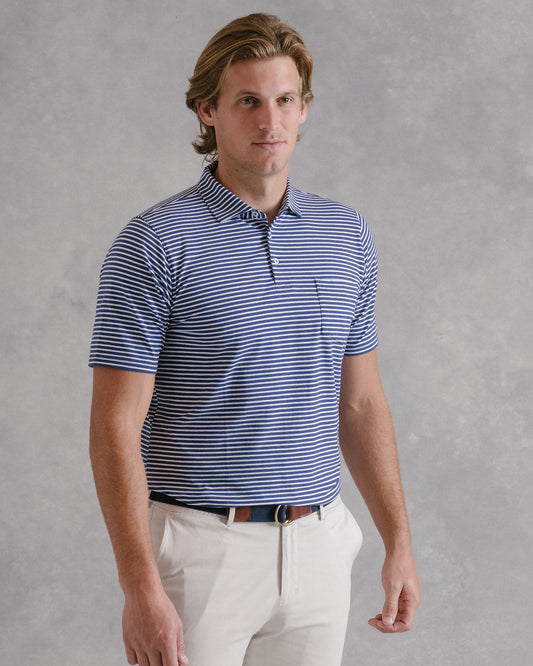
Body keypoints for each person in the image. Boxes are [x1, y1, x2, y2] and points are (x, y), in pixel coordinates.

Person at [89, 12, 420, 666]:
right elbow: (114, 425)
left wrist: (398, 543)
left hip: (319, 544)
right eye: (247, 101)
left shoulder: (344, 235)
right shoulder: (153, 243)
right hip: (201, 552)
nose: (270, 121)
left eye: (284, 100)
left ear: (304, 109)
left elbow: (360, 403)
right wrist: (139, 588)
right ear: (207, 110)